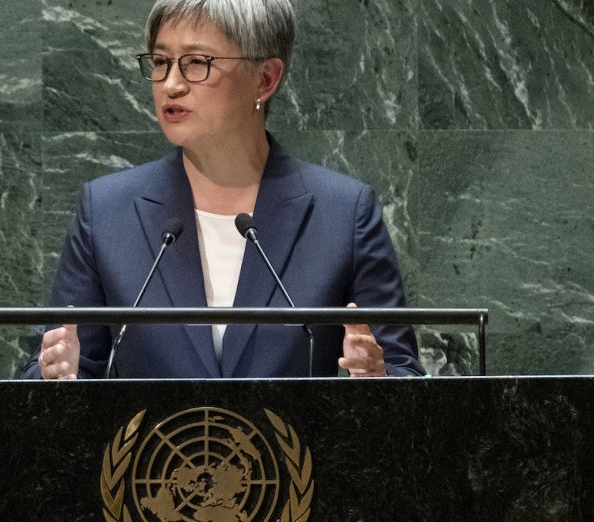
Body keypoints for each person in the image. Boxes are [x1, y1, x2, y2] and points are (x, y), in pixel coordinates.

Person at [22, 0, 424, 380]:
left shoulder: (342, 213)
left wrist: (378, 377)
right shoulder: (107, 213)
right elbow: (48, 374)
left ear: (265, 79)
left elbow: (406, 377)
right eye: (161, 62)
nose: (171, 84)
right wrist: (55, 375)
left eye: (197, 63)